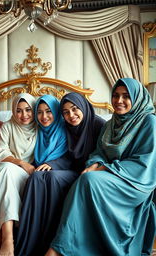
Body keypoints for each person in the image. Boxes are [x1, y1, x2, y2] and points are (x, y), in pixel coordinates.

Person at [46, 78, 156, 256]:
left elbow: (145, 162)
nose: (119, 101)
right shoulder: (112, 123)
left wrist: (103, 169)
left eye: (126, 96)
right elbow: (99, 152)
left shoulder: (149, 122)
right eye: (115, 96)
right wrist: (94, 164)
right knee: (85, 178)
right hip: (111, 176)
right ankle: (65, 247)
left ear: (137, 98)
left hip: (136, 181)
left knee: (89, 180)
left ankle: (58, 250)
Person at [15, 93, 106, 256]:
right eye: (66, 112)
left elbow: (105, 151)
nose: (71, 115)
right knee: (36, 176)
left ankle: (51, 241)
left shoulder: (98, 124)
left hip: (88, 173)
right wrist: (51, 164)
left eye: (75, 109)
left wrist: (95, 165)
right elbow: (67, 157)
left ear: (83, 106)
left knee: (53, 177)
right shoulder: (65, 126)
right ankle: (28, 241)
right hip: (70, 170)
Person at [0, 93, 38, 256]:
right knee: (6, 170)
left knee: (7, 177)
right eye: (19, 111)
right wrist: (22, 163)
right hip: (2, 168)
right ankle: (9, 238)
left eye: (28, 110)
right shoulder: (7, 126)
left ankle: (1, 238)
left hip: (24, 174)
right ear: (13, 111)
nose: (24, 115)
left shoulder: (40, 126)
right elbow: (1, 153)